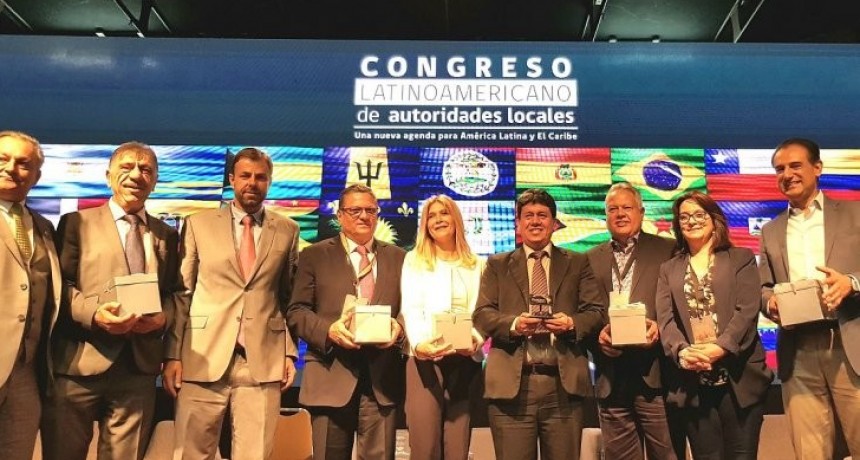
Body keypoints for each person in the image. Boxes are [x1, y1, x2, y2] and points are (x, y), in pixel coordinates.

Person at [42, 142, 180, 460]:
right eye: (127, 167)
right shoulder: (76, 223)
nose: (136, 175)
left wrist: (163, 318)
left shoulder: (166, 234)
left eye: (146, 169)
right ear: (108, 176)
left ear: (155, 180)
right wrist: (94, 315)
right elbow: (60, 288)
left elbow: (173, 293)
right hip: (78, 363)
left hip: (138, 368)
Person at [163, 148, 300, 460]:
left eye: (260, 177)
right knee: (191, 454)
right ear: (232, 179)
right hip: (202, 355)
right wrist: (172, 354)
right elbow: (182, 293)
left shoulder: (287, 229)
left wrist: (289, 352)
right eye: (245, 176)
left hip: (262, 361)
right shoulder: (198, 224)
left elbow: (287, 297)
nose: (252, 182)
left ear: (269, 182)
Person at [472, 188, 605, 460]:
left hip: (563, 387)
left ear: (554, 223)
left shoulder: (578, 262)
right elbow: (482, 314)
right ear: (518, 223)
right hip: (512, 387)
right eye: (528, 215)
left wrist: (571, 324)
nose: (535, 221)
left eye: (542, 215)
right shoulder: (497, 265)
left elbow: (595, 312)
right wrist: (514, 324)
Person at [287, 184, 406, 460]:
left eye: (370, 210)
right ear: (340, 215)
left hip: (382, 383)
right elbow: (296, 311)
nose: (364, 216)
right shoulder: (314, 255)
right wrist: (329, 331)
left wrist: (399, 328)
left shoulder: (399, 258)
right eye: (355, 210)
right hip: (329, 375)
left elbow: (411, 309)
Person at [759, 137, 860, 458]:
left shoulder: (855, 213)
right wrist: (770, 302)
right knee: (810, 452)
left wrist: (852, 282)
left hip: (850, 344)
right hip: (797, 350)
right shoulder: (770, 230)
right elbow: (763, 287)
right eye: (779, 169)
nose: (787, 174)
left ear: (817, 168)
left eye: (795, 166)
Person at [655, 191, 772, 460]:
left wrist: (720, 348)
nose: (691, 221)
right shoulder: (668, 269)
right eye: (684, 217)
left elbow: (747, 311)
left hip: (739, 378)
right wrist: (683, 352)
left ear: (713, 219)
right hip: (693, 381)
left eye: (699, 214)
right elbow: (666, 319)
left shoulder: (740, 258)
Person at [585, 182, 678, 460]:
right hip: (611, 378)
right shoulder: (589, 258)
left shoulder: (668, 250)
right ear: (605, 215)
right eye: (612, 209)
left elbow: (681, 307)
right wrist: (597, 339)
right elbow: (586, 313)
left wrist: (660, 329)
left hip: (657, 375)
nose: (620, 214)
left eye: (627, 207)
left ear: (641, 212)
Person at [400, 195, 485, 460]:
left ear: (455, 219)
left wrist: (475, 338)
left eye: (444, 213)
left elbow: (481, 311)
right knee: (425, 447)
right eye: (432, 216)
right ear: (425, 225)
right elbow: (411, 307)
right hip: (425, 360)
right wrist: (420, 345)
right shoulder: (414, 260)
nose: (438, 220)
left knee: (457, 448)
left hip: (464, 360)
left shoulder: (477, 264)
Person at [0, 131, 62, 460]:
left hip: (26, 372)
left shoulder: (43, 226)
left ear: (36, 176)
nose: (11, 168)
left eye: (23, 163)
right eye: (3, 159)